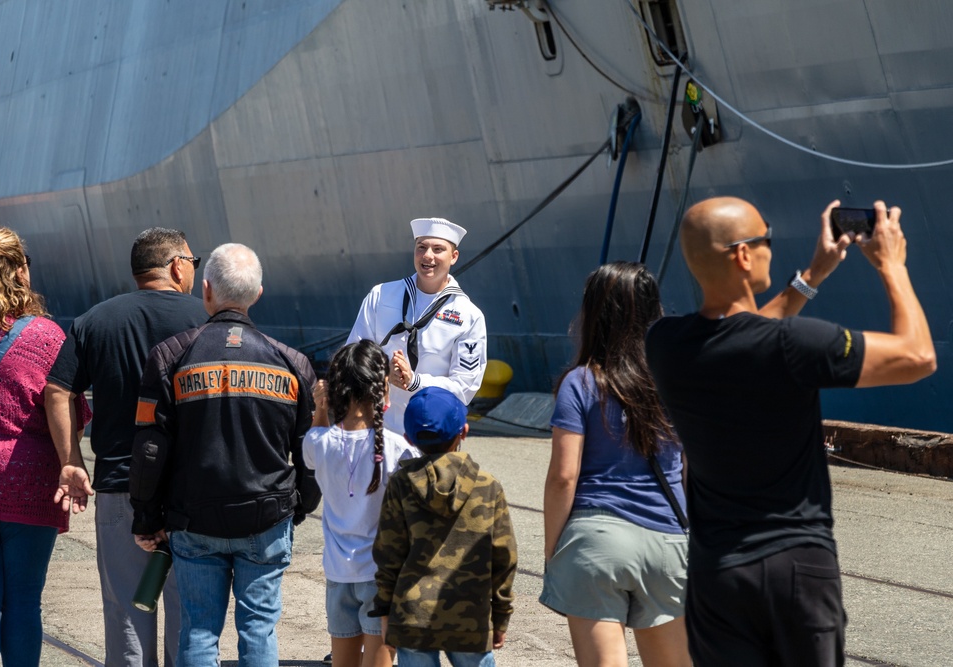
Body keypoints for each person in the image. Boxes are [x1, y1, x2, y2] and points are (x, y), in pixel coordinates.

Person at [645, 198, 936, 666]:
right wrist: (892, 265)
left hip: (717, 574)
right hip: (798, 567)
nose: (770, 251)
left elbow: (742, 330)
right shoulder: (794, 345)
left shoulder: (664, 345)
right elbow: (918, 356)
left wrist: (813, 274)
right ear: (743, 255)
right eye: (767, 241)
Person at [129, 243, 320, 665]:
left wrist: (146, 515)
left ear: (207, 289)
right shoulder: (293, 364)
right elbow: (310, 450)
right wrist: (301, 506)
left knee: (198, 630)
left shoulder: (169, 357)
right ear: (258, 293)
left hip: (194, 518)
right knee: (258, 629)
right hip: (268, 517)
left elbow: (149, 447)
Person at [44, 227, 208, 666]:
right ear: (176, 266)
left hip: (120, 485)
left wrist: (71, 461)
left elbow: (58, 391)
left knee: (126, 614)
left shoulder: (95, 320)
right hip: (191, 492)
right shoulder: (205, 320)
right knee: (191, 615)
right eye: (193, 262)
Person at [541, 262, 691, 667]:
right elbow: (690, 469)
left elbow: (563, 476)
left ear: (593, 313)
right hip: (668, 542)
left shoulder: (581, 381)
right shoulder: (677, 380)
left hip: (596, 543)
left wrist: (553, 549)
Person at [0, 224, 90, 666]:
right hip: (29, 487)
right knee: (24, 600)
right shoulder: (47, 338)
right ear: (20, 272)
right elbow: (73, 414)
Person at [370, 386, 517, 667]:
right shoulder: (487, 486)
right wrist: (501, 616)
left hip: (412, 617)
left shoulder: (401, 485)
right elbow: (504, 557)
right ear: (464, 430)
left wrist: (386, 613)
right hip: (471, 620)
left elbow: (388, 555)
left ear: (408, 438)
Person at [303, 340, 420, 667]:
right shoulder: (398, 449)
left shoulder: (319, 443)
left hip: (339, 576)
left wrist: (320, 410)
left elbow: (311, 448)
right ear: (383, 387)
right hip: (381, 576)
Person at [347, 217, 486, 433]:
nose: (428, 256)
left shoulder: (469, 316)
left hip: (431, 435)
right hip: (377, 431)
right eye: (421, 247)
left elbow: (464, 388)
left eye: (438, 249)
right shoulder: (380, 296)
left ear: (454, 257)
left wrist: (415, 382)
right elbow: (352, 359)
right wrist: (384, 375)